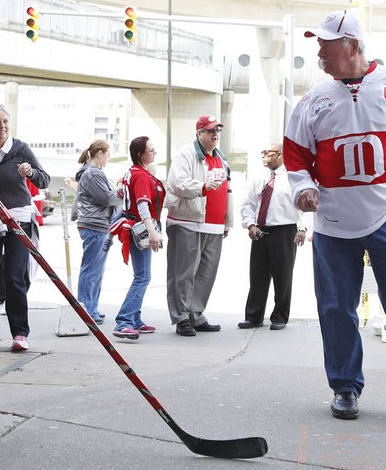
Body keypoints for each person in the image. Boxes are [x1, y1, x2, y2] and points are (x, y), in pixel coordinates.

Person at [285, 9, 386, 422]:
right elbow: (295, 154)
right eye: (317, 44)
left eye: (326, 44)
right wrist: (302, 188)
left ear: (353, 46)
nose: (318, 51)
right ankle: (344, 387)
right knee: (336, 307)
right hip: (333, 223)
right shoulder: (313, 100)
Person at [0, 104, 49, 353]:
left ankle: (20, 333)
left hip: (18, 219)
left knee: (14, 277)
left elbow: (43, 178)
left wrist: (31, 171)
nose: (2, 126)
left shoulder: (20, 148)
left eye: (5, 121)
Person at [164, 114, 232, 337]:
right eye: (210, 131)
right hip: (188, 222)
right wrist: (203, 186)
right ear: (199, 133)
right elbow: (178, 183)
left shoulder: (220, 158)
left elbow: (227, 190)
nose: (215, 135)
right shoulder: (186, 154)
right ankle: (181, 316)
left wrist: (227, 220)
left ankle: (196, 313)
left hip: (213, 224)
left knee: (206, 273)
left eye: (217, 131)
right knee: (184, 272)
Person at [238, 141, 310, 331]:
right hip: (261, 231)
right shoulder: (259, 179)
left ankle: (279, 317)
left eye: (267, 153)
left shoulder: (293, 178)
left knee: (283, 277)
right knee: (257, 276)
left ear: (280, 155)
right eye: (262, 153)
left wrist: (303, 228)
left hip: (285, 231)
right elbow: (248, 205)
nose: (263, 156)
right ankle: (253, 316)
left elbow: (305, 204)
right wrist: (250, 224)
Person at [109, 136, 166, 339]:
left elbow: (126, 197)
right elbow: (142, 205)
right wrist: (152, 231)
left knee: (142, 275)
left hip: (137, 225)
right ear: (141, 154)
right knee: (142, 276)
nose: (154, 153)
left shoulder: (135, 173)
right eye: (151, 150)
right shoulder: (140, 175)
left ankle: (133, 318)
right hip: (140, 227)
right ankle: (124, 320)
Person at [74, 140, 122, 324]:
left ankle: (91, 307)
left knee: (96, 270)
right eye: (108, 154)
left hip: (96, 224)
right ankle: (86, 309)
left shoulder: (93, 173)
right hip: (95, 225)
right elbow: (107, 199)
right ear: (100, 153)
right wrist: (122, 192)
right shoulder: (93, 174)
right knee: (92, 269)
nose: (109, 158)